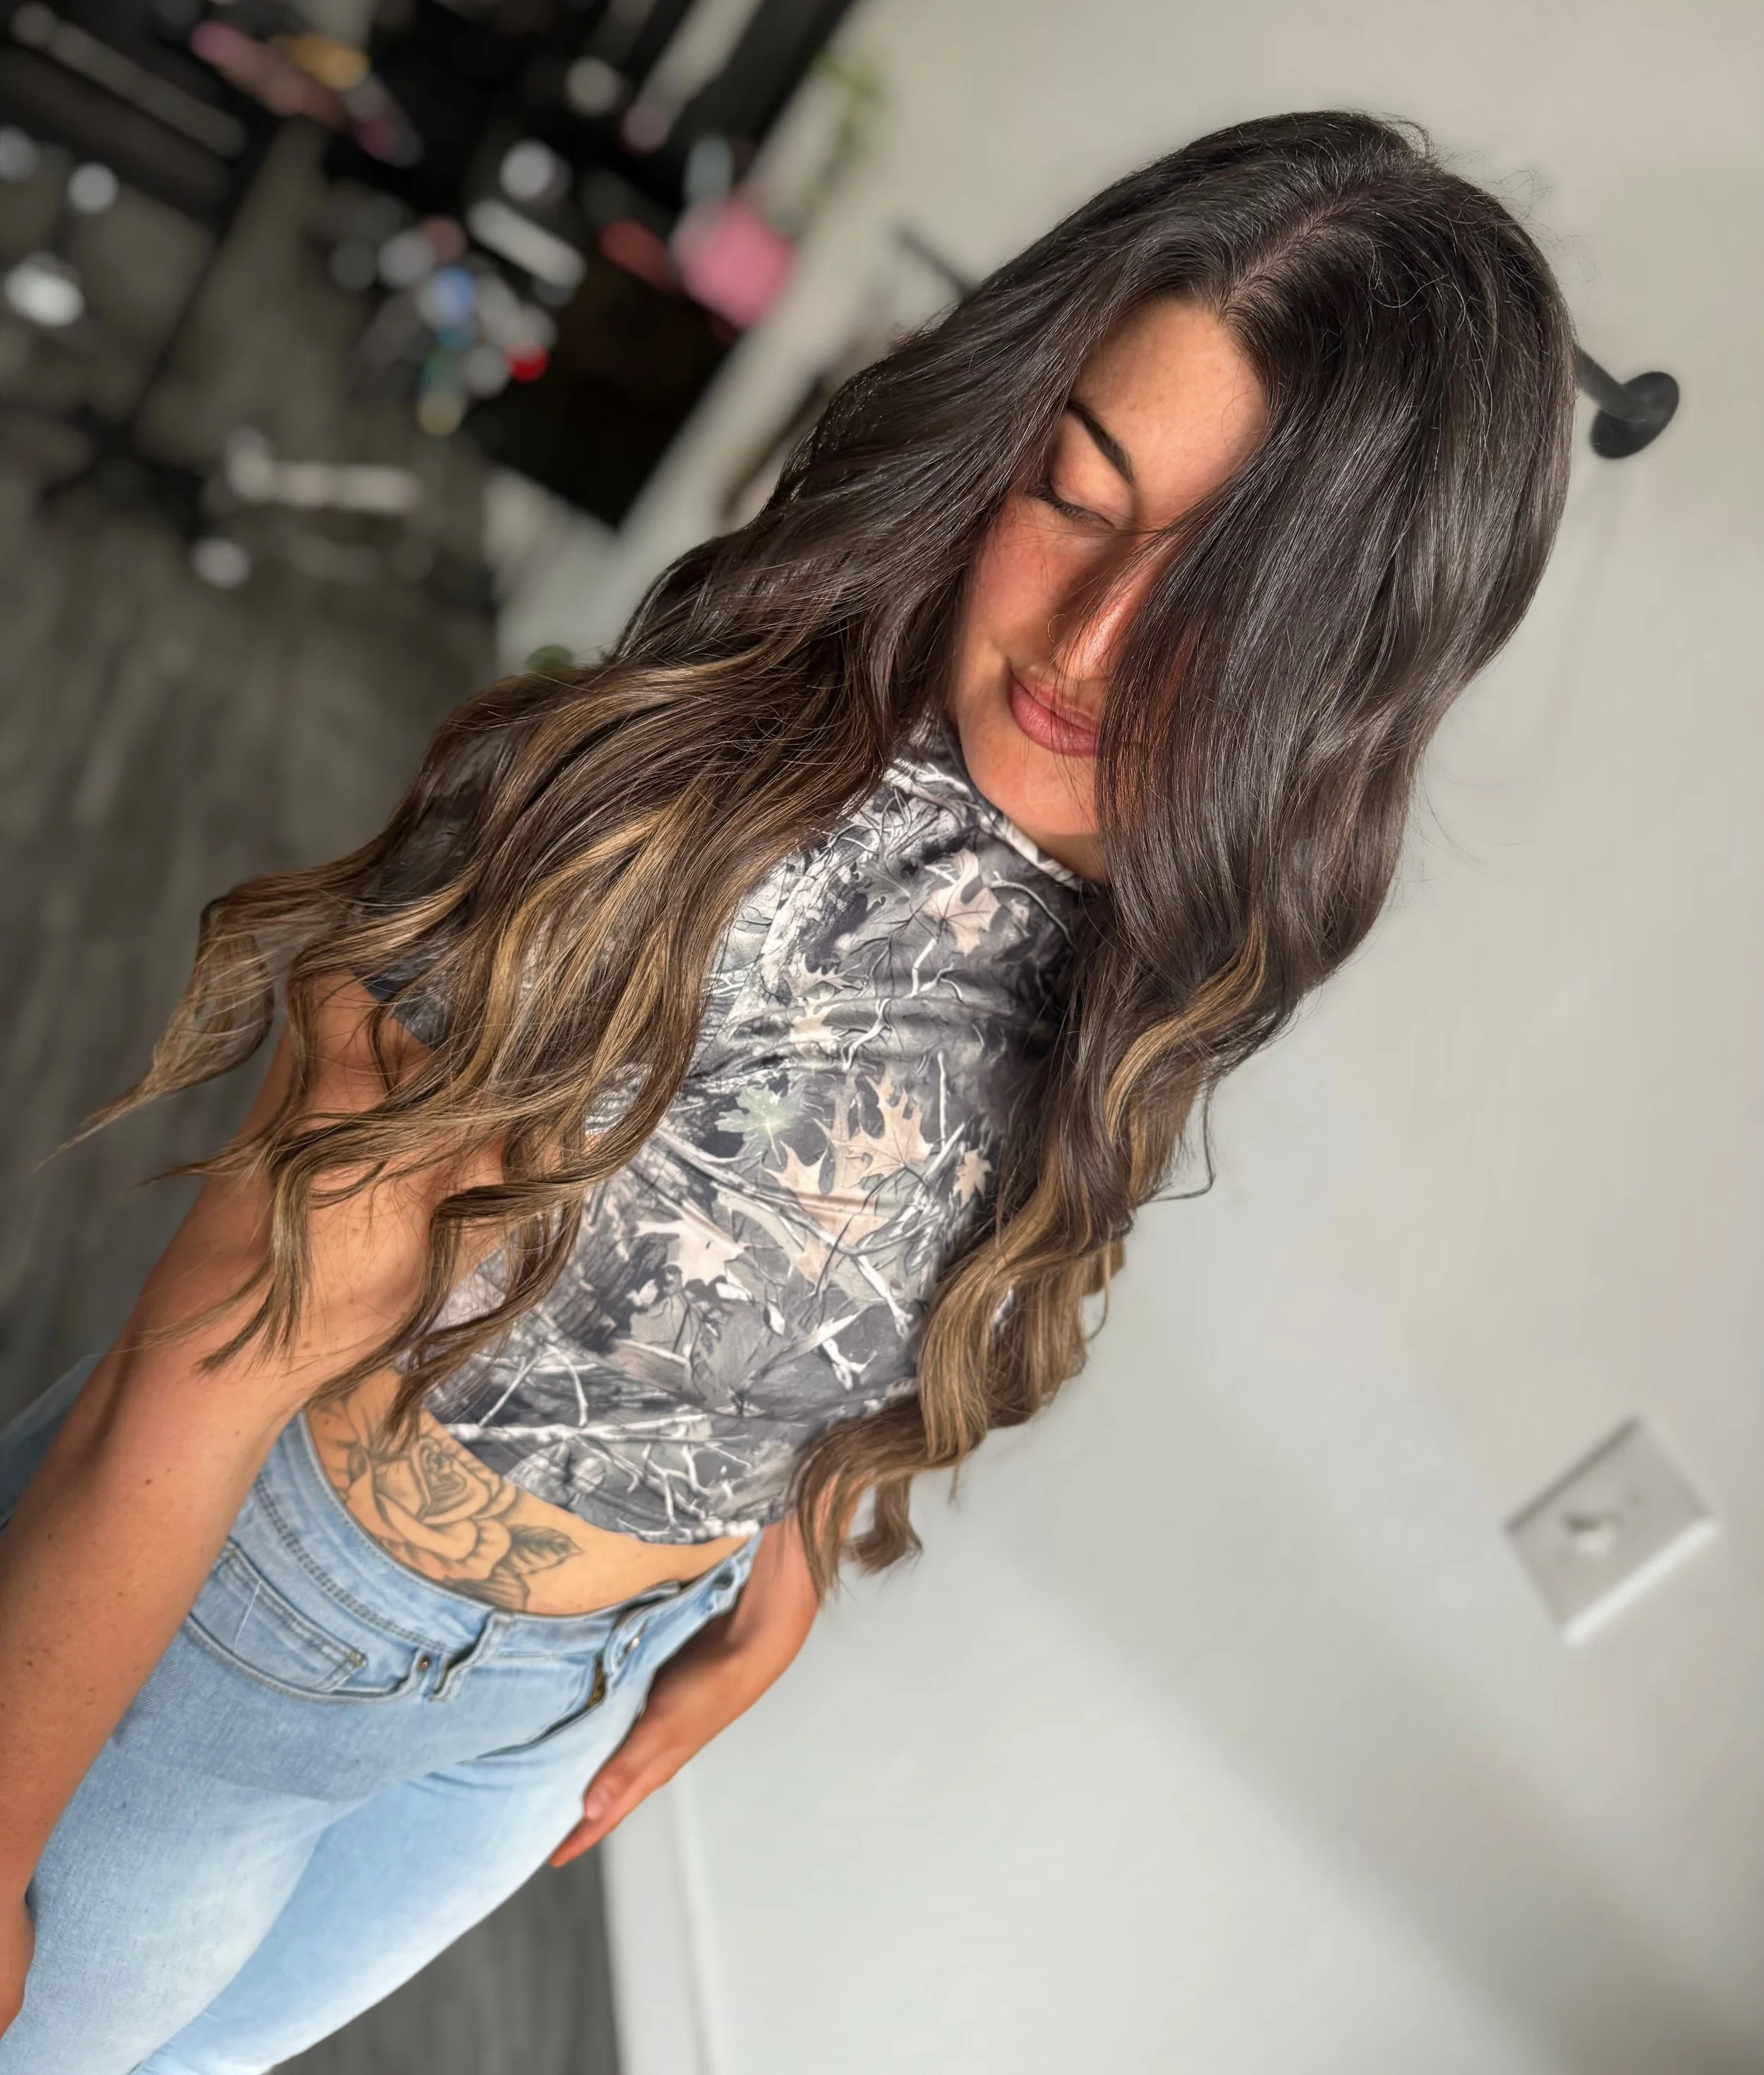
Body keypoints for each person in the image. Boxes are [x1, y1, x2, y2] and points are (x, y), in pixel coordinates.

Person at [0, 110, 1575, 2070]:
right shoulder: (690, 805)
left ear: (1340, 675)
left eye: (1217, 604)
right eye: (1072, 499)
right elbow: (198, 1376)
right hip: (246, 1617)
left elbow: (856, 1256)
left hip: (552, 1717)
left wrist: (786, 1540)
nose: (1089, 644)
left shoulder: (1147, 943)